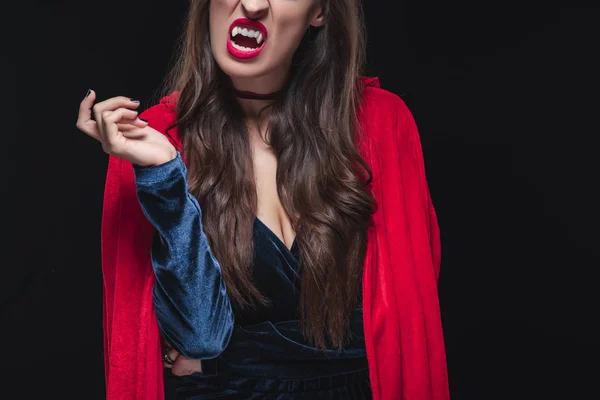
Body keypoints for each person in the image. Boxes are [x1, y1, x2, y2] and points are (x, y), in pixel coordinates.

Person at [76, 0, 449, 399]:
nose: (252, 4)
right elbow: (199, 337)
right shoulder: (152, 138)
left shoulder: (381, 123)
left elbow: (409, 328)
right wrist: (164, 176)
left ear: (319, 13)